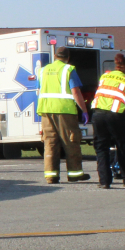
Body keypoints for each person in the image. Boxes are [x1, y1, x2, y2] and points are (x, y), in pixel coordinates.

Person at [36, 46, 90, 184]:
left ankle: (51, 176)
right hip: (65, 111)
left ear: (55, 56)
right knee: (71, 141)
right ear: (68, 58)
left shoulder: (43, 70)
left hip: (46, 111)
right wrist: (84, 110)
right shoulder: (68, 69)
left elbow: (39, 90)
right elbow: (76, 92)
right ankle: (74, 174)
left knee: (50, 143)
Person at [91, 53, 125, 189]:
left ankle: (105, 181)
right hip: (116, 116)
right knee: (122, 147)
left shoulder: (104, 76)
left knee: (101, 148)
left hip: (98, 115)